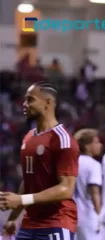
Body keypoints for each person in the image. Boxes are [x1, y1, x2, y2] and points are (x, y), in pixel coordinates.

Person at [0, 81, 79, 240]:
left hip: (57, 222)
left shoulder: (62, 140)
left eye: (30, 100)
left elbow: (66, 188)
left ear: (47, 103)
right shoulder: (29, 137)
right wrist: (13, 218)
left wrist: (21, 199)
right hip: (29, 225)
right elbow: (28, 182)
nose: (24, 104)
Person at [73, 129, 103, 240]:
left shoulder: (71, 163)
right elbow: (94, 192)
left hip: (71, 216)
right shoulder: (93, 164)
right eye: (96, 142)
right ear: (87, 146)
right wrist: (99, 214)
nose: (100, 145)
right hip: (88, 216)